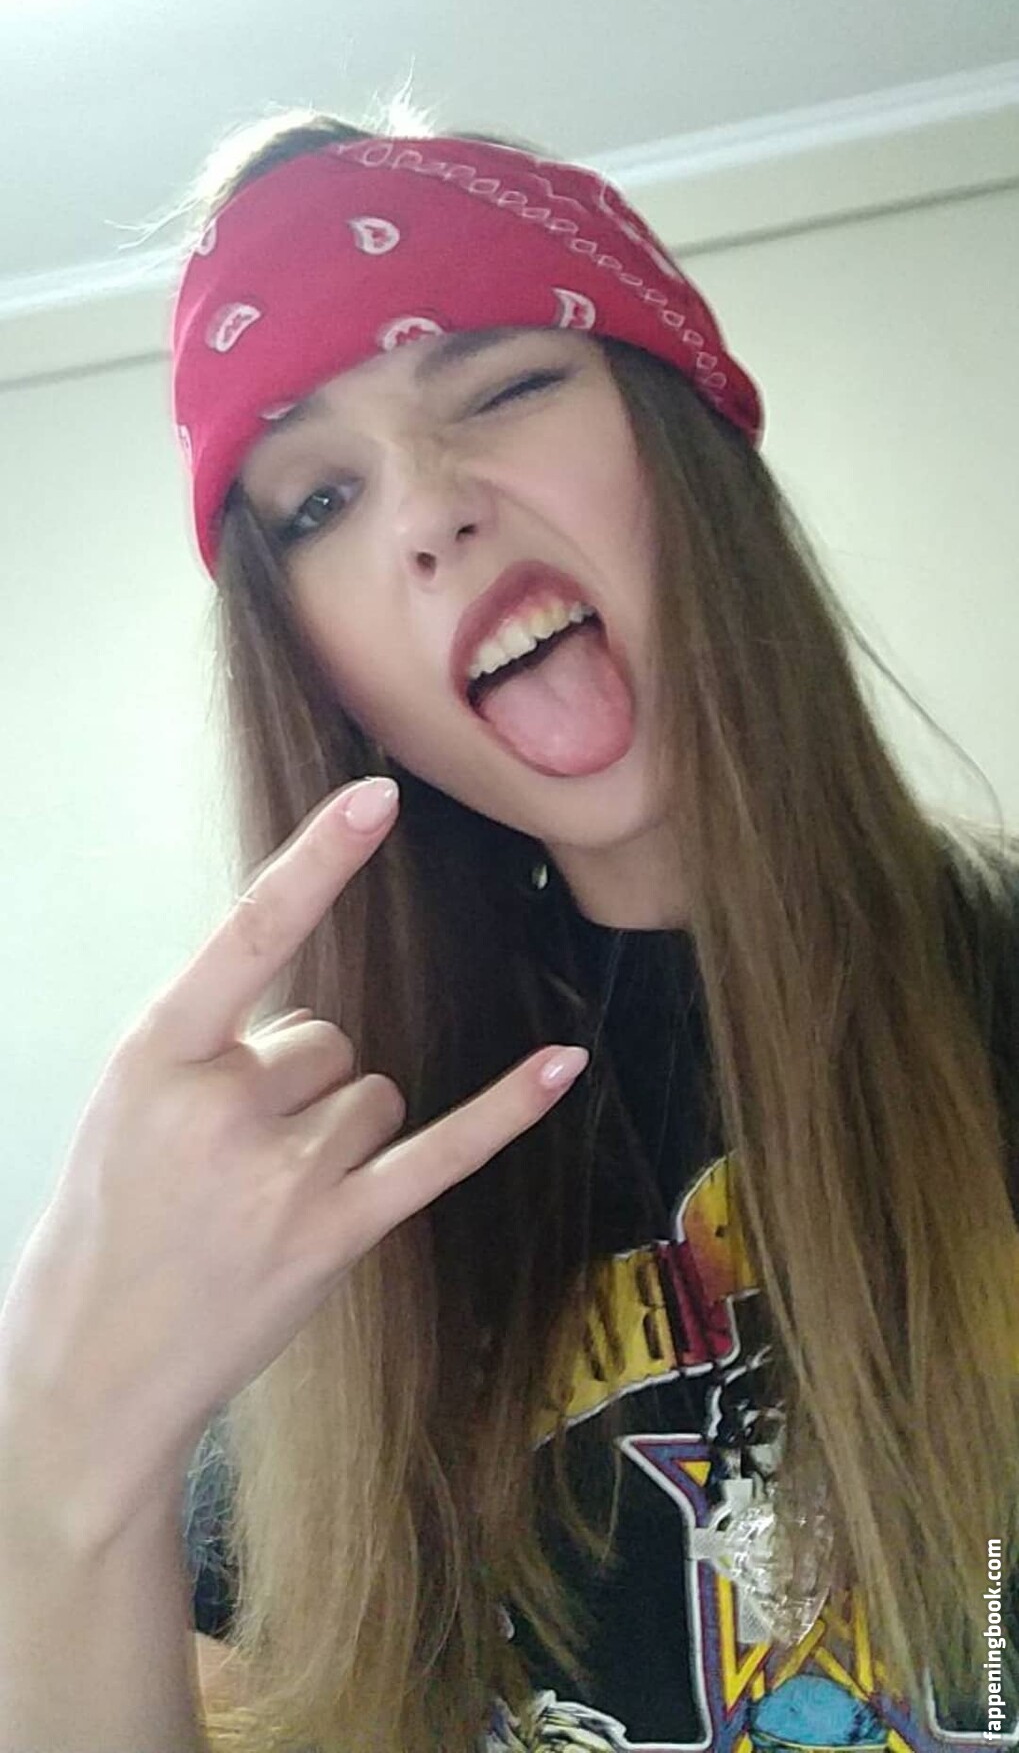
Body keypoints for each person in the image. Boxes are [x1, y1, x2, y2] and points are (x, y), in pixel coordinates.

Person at [3, 106, 1019, 1753]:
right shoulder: (332, 1209)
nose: (427, 511)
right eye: (319, 500)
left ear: (685, 441)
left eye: (501, 387)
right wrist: (59, 1466)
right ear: (325, 674)